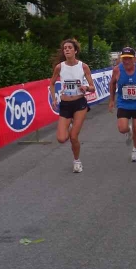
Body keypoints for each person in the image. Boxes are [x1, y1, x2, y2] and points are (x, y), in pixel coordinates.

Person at [49, 39, 95, 173]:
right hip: (65, 104)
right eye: (65, 48)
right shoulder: (59, 67)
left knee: (73, 136)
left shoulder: (83, 66)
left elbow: (92, 88)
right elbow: (51, 83)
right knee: (61, 138)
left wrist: (85, 87)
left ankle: (77, 161)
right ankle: (69, 125)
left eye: (69, 47)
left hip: (79, 103)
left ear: (75, 51)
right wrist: (54, 99)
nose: (67, 50)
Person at [108, 47, 136, 162]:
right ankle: (128, 130)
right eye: (124, 58)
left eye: (129, 58)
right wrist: (112, 100)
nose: (126, 61)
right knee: (122, 129)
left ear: (134, 59)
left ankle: (135, 149)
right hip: (123, 103)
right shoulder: (117, 70)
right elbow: (112, 84)